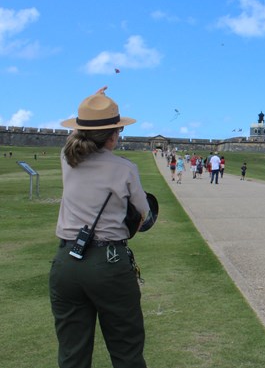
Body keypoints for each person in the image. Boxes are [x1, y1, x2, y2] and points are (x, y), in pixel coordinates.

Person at [50, 86, 152, 368]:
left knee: (72, 354)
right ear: (114, 134)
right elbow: (145, 214)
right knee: (126, 350)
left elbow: (74, 137)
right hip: (109, 263)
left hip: (66, 261)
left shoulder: (67, 159)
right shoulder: (124, 168)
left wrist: (91, 107)